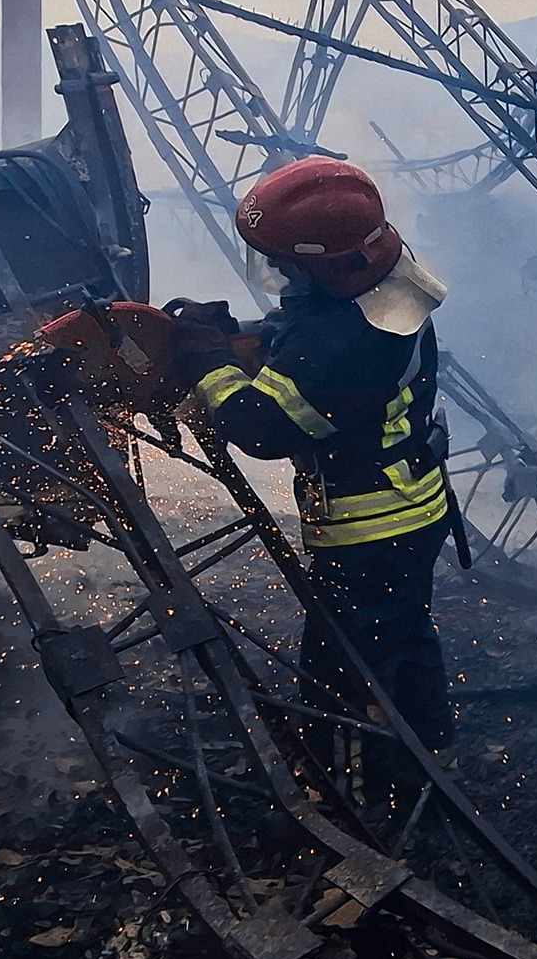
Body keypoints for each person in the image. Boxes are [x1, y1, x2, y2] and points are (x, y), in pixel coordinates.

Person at [167, 156, 457, 782]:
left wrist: (206, 363)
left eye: (288, 263)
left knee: (344, 668)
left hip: (369, 529)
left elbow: (261, 427)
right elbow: (302, 334)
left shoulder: (347, 341)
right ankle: (431, 757)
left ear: (325, 264)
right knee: (404, 637)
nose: (279, 274)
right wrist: (242, 336)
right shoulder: (375, 282)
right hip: (414, 505)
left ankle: (348, 795)